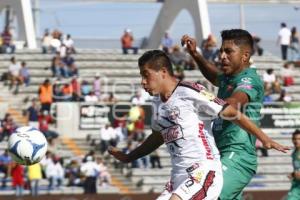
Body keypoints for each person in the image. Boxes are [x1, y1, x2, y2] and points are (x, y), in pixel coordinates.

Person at [108, 50, 289, 200]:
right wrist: (128, 157)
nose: (143, 82)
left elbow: (232, 113)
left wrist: (264, 139)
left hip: (203, 172)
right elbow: (157, 137)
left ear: (163, 71)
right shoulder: (157, 104)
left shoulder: (189, 91)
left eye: (146, 75)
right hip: (177, 179)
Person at [181, 29, 278, 200]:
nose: (222, 56)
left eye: (228, 51)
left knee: (202, 196)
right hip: (220, 154)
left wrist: (199, 99)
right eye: (221, 51)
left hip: (237, 155)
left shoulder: (248, 80)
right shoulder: (228, 77)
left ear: (245, 56)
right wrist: (195, 54)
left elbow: (235, 103)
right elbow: (213, 75)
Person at [287, 129, 300, 200]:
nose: (296, 141)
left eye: (299, 139)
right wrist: (293, 174)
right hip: (297, 186)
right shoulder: (294, 153)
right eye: (294, 139)